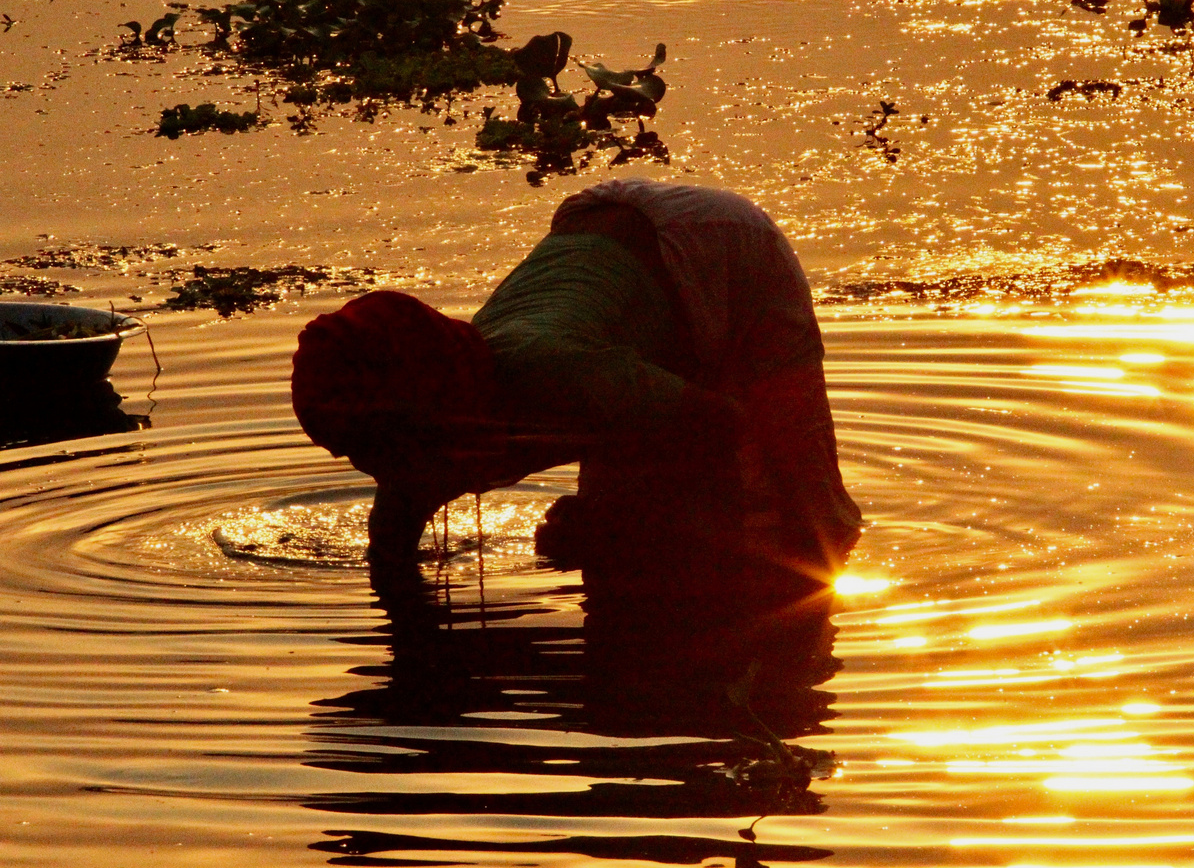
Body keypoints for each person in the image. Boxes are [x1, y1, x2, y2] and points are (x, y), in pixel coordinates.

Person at [290, 179, 861, 577]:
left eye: (369, 445)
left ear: (417, 411)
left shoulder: (550, 376)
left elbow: (720, 421)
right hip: (611, 253)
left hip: (721, 242)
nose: (368, 464)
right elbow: (391, 535)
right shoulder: (418, 434)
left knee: (804, 503)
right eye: (352, 450)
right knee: (621, 536)